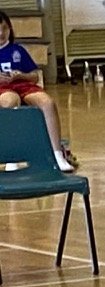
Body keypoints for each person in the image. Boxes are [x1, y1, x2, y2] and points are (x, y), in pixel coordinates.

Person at [0, 11, 75, 172]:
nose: (1, 33)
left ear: (10, 29)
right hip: (3, 89)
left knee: (47, 103)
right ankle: (11, 156)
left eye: (4, 28)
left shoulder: (18, 50)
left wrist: (21, 75)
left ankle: (56, 154)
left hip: (23, 85)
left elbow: (34, 77)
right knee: (9, 102)